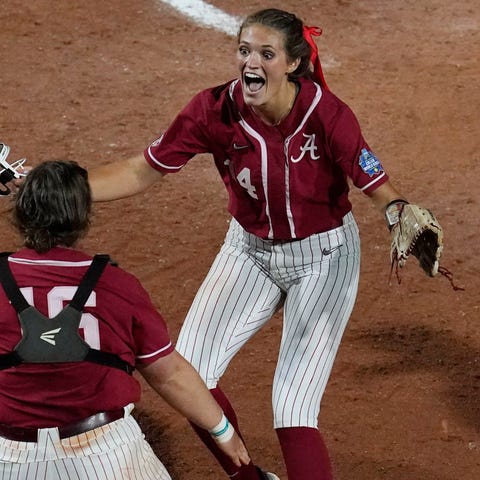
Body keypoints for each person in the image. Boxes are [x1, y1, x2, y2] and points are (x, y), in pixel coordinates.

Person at [84, 8, 422, 480]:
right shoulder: (213, 110)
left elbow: (370, 176)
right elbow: (143, 170)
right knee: (192, 379)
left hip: (323, 258)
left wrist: (396, 210)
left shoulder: (327, 113)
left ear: (294, 64)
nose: (251, 64)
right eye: (245, 51)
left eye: (266, 54)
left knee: (292, 405)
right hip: (249, 251)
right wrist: (67, 184)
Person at [0, 160, 250, 479]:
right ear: (82, 218)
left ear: (21, 215)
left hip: (9, 458)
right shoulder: (116, 286)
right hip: (105, 454)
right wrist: (223, 431)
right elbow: (168, 374)